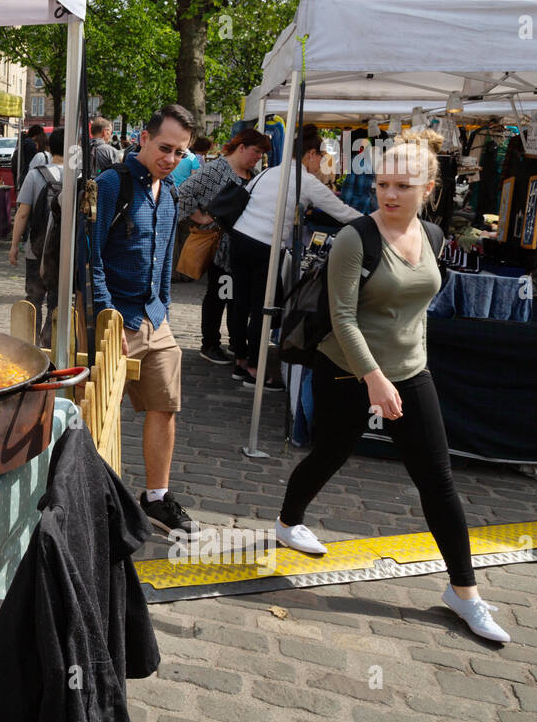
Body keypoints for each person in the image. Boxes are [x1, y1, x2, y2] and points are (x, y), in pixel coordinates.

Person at [274, 130, 510, 643]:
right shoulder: (355, 238)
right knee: (332, 452)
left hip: (409, 371)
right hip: (346, 368)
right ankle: (289, 519)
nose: (390, 193)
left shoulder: (433, 236)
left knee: (437, 478)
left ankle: (463, 592)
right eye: (382, 183)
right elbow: (341, 318)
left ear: (429, 187)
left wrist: (406, 365)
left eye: (403, 184)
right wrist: (373, 378)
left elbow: (417, 306)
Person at [91, 104, 196, 538]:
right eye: (165, 147)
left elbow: (166, 259)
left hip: (156, 316)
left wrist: (165, 308)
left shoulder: (169, 192)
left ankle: (155, 497)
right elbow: (90, 257)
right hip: (117, 317)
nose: (171, 158)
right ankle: (93, 501)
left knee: (165, 406)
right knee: (99, 413)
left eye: (180, 153)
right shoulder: (111, 184)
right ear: (143, 139)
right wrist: (105, 316)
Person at [227, 132, 363, 390]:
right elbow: (341, 211)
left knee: (240, 303)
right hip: (265, 245)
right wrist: (374, 222)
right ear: (311, 154)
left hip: (240, 238)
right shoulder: (305, 180)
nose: (321, 163)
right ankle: (255, 369)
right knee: (261, 308)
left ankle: (241, 361)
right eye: (321, 157)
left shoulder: (270, 172)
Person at [177, 130, 272, 365]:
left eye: (261, 153)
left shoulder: (254, 174)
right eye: (256, 151)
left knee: (236, 299)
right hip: (221, 249)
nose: (258, 157)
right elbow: (184, 193)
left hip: (242, 249)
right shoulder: (216, 169)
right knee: (219, 295)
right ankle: (210, 343)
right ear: (241, 147)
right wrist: (200, 218)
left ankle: (234, 342)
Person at [9, 126, 64, 346]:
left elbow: (22, 213)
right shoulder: (78, 175)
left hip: (36, 248)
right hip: (63, 251)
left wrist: (14, 246)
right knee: (56, 303)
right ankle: (49, 347)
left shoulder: (36, 174)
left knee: (33, 299)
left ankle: (30, 348)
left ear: (50, 148)